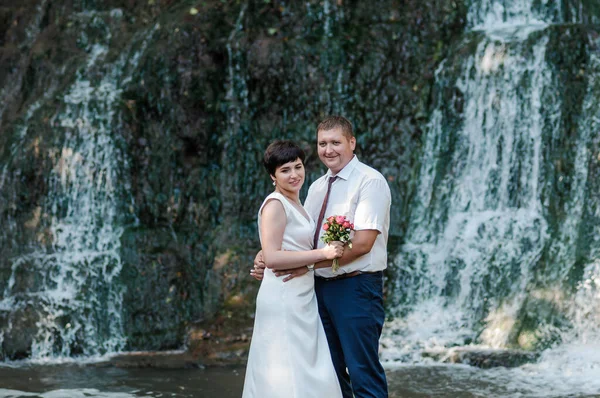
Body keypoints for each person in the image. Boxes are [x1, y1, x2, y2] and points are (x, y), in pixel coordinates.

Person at [251, 116, 391, 398]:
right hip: (315, 291)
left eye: (336, 142)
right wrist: (266, 252)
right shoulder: (315, 187)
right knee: (329, 377)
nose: (329, 150)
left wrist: (310, 264)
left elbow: (363, 244)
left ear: (352, 142)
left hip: (355, 288)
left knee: (363, 372)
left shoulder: (370, 182)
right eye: (322, 143)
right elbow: (298, 234)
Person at [242, 140, 344, 398]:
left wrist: (263, 254)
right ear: (272, 176)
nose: (294, 174)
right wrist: (324, 253)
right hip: (283, 296)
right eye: (285, 170)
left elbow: (273, 248)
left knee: (305, 369)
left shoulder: (298, 204)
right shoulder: (275, 204)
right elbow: (274, 258)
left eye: (297, 167)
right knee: (285, 372)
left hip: (302, 296)